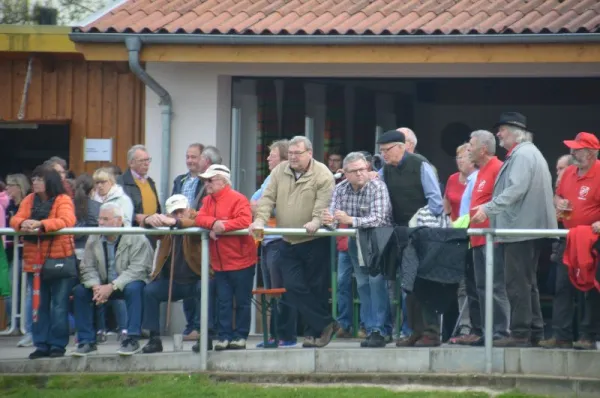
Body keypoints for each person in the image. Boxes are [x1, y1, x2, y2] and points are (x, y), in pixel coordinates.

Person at [472, 112, 557, 347]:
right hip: (525, 228)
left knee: (516, 283)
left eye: (502, 130)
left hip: (520, 229)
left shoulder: (522, 155)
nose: (498, 134)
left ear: (513, 131)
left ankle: (520, 333)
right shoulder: (528, 153)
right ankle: (534, 330)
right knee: (527, 283)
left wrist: (488, 208)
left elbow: (515, 189)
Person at [249, 136, 338, 348]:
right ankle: (327, 323)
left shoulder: (323, 175)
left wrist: (316, 221)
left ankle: (313, 333)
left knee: (316, 287)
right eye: (290, 154)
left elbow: (322, 205)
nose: (293, 158)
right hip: (287, 239)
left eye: (297, 154)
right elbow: (267, 198)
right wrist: (260, 220)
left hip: (314, 239)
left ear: (310, 153)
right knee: (292, 285)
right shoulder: (279, 171)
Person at [376, 129, 443, 347]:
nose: (384, 155)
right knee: (409, 285)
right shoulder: (385, 170)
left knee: (425, 283)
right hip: (401, 234)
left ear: (401, 147)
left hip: (423, 232)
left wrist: (422, 226)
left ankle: (431, 333)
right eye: (381, 151)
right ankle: (416, 331)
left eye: (387, 150)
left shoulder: (420, 164)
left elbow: (436, 202)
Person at [324, 152, 393, 347]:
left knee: (377, 282)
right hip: (356, 239)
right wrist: (328, 221)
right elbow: (333, 217)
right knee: (362, 284)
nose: (360, 174)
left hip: (379, 238)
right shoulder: (341, 189)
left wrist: (350, 220)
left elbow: (379, 218)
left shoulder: (377, 186)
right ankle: (371, 329)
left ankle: (382, 329)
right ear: (345, 173)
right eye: (355, 171)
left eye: (363, 169)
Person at [10, 166, 77, 359]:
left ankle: (57, 345)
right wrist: (23, 224)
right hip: (35, 262)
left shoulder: (63, 199)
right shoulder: (29, 200)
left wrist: (41, 224)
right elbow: (16, 219)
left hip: (58, 261)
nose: (35, 182)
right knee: (38, 305)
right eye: (34, 179)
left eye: (40, 179)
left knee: (58, 305)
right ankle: (41, 344)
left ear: (50, 181)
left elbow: (67, 220)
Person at [540, 132, 600, 350]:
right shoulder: (568, 173)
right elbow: (557, 195)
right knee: (562, 286)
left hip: (593, 240)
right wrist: (560, 202)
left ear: (591, 153)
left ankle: (587, 335)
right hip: (569, 238)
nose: (573, 152)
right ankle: (561, 335)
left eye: (578, 149)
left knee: (589, 287)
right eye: (572, 148)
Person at [73, 202, 153, 356]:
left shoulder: (137, 237)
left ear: (118, 220)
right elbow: (87, 267)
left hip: (128, 282)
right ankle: (86, 341)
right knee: (80, 292)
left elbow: (138, 269)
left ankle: (132, 339)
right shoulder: (94, 237)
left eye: (105, 219)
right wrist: (95, 286)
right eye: (100, 219)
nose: (100, 223)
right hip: (102, 284)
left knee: (134, 288)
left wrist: (112, 286)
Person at [142, 194, 214, 354]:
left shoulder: (198, 217)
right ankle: (154, 339)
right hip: (173, 282)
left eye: (182, 211)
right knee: (149, 291)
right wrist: (148, 220)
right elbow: (148, 228)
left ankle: (206, 338)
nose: (179, 215)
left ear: (188, 209)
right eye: (175, 213)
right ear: (168, 214)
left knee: (207, 287)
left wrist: (176, 222)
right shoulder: (166, 225)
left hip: (197, 278)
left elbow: (197, 223)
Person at [195, 165, 256, 350]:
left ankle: (240, 336)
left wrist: (222, 226)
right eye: (205, 180)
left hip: (242, 260)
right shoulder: (207, 201)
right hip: (221, 262)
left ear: (222, 181)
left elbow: (245, 221)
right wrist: (214, 224)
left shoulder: (238, 198)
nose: (206, 184)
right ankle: (225, 336)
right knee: (224, 302)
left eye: (210, 180)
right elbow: (199, 218)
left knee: (242, 301)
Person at [250, 139, 298, 347]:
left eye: (273, 155)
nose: (268, 158)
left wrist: (259, 206)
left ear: (285, 158)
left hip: (279, 240)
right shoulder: (270, 178)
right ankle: (274, 335)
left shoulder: (287, 179)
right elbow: (255, 203)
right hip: (266, 240)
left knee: (280, 291)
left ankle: (285, 336)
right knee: (271, 291)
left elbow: (273, 206)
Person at [466, 130, 510, 345]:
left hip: (493, 238)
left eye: (471, 145)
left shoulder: (497, 168)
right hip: (478, 237)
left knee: (496, 286)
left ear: (483, 149)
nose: (468, 149)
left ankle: (501, 332)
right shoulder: (482, 170)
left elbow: (503, 200)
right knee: (482, 287)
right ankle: (488, 331)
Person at [168, 142, 205, 342]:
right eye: (188, 157)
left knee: (199, 282)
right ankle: (190, 324)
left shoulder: (205, 181)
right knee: (184, 280)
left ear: (202, 158)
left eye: (194, 157)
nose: (190, 160)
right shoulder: (179, 179)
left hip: (198, 238)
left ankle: (200, 325)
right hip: (180, 237)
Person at [4, 173, 32, 347]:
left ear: (18, 186)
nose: (7, 189)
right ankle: (13, 324)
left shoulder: (28, 204)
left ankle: (24, 326)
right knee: (12, 288)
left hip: (26, 253)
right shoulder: (9, 206)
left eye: (10, 185)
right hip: (12, 253)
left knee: (27, 290)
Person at [117, 145, 161, 227]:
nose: (146, 164)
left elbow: (157, 207)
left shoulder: (150, 182)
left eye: (148, 160)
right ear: (131, 163)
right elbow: (116, 209)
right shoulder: (121, 182)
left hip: (151, 231)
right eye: (142, 161)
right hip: (132, 232)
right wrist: (136, 217)